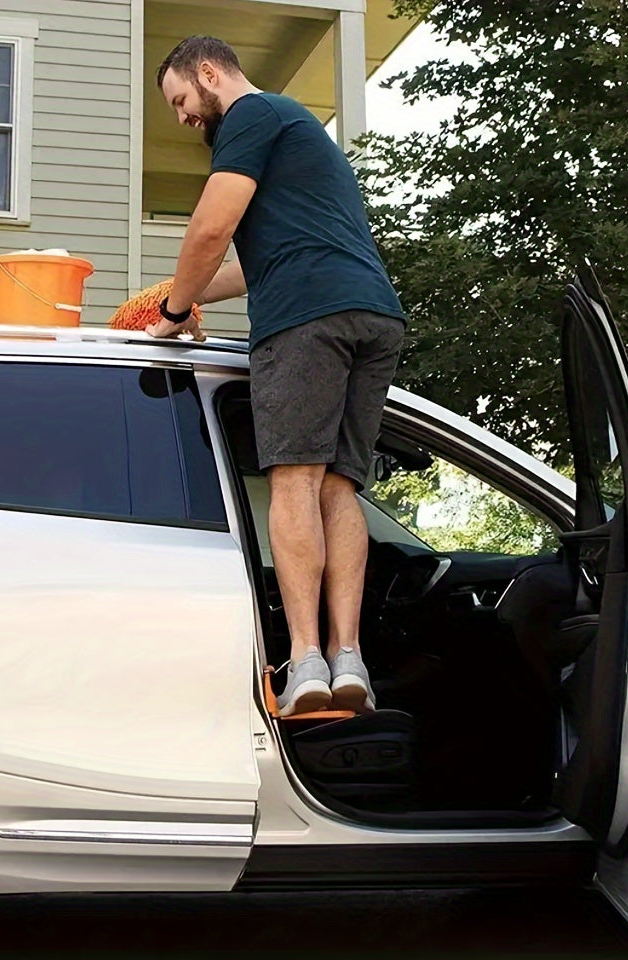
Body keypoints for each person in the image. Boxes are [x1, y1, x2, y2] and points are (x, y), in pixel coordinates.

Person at [148, 36, 406, 716]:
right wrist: (187, 295)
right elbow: (249, 264)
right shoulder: (295, 131)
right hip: (372, 315)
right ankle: (349, 656)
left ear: (208, 73)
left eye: (180, 100)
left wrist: (174, 312)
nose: (183, 118)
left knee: (294, 481)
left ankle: (307, 661)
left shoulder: (252, 116)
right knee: (339, 487)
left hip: (307, 319)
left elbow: (211, 227)